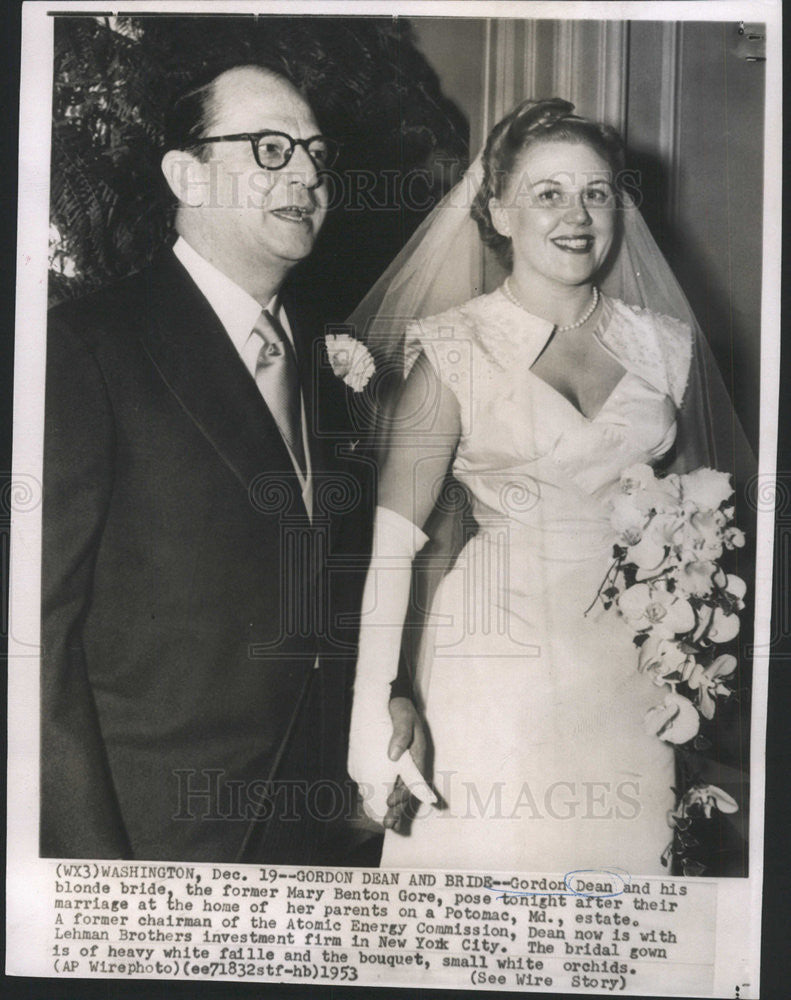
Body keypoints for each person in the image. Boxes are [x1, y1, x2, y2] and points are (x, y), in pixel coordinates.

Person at [346, 99, 752, 874]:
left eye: (595, 192)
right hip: (490, 659)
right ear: (499, 212)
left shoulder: (664, 346)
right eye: (547, 193)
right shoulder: (453, 350)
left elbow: (699, 520)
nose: (576, 215)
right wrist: (378, 705)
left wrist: (689, 663)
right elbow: (390, 551)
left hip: (628, 671)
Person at [41, 63, 369, 863]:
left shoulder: (324, 364)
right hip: (153, 829)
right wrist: (88, 871)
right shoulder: (87, 346)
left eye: (317, 155)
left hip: (308, 822)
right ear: (186, 174)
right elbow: (36, 637)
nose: (305, 174)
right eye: (268, 148)